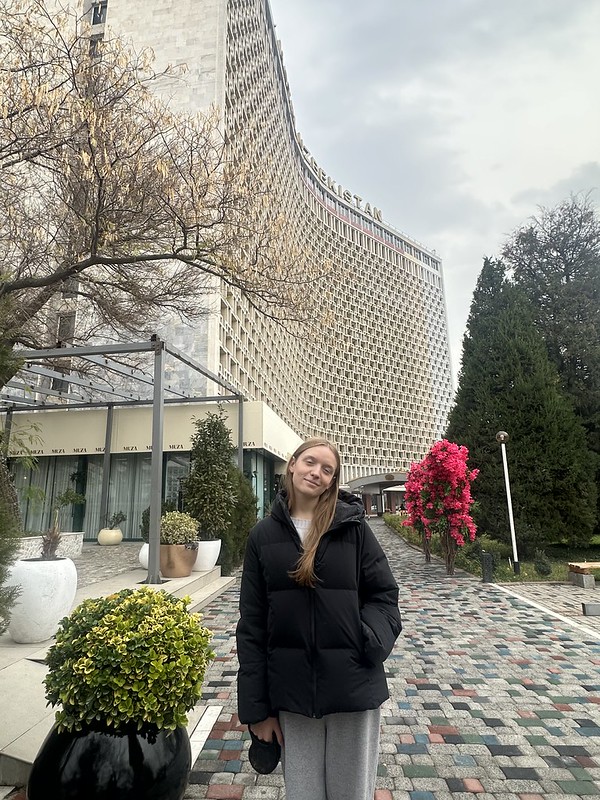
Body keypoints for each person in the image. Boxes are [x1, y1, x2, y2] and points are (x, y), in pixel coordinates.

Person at [236, 438, 402, 800]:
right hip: (291, 694)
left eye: (327, 470)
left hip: (353, 688)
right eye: (310, 462)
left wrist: (367, 641)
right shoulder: (262, 536)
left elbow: (384, 596)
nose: (317, 473)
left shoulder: (354, 529)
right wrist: (257, 711)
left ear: (332, 481)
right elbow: (251, 626)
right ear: (292, 464)